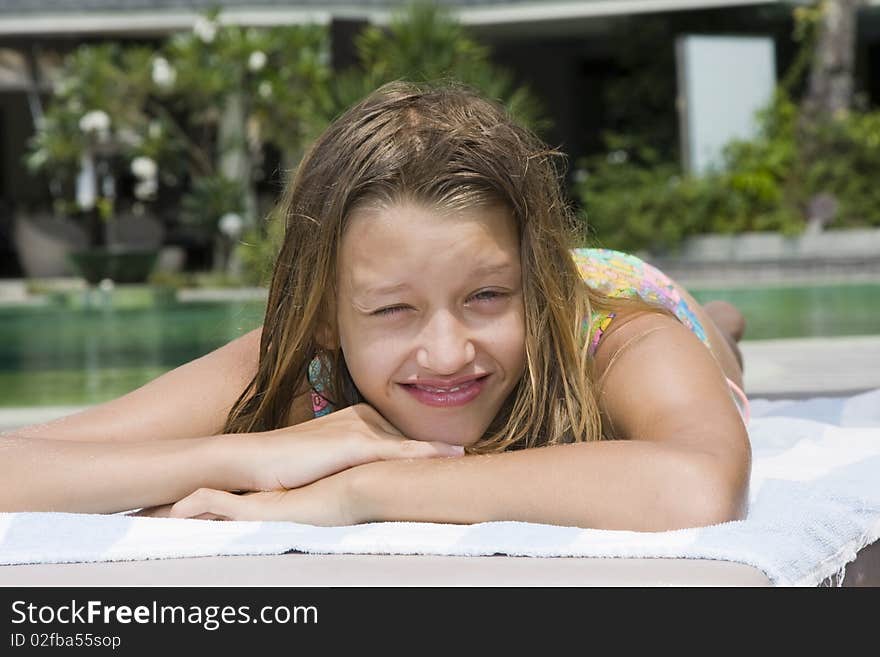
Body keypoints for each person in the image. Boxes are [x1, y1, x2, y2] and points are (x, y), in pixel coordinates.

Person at [1, 81, 751, 531]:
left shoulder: (611, 341)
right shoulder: (310, 362)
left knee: (710, 342)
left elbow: (698, 484)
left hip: (624, 290)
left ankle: (719, 324)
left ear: (534, 284)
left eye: (485, 296)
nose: (447, 351)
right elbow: (18, 464)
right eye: (394, 311)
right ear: (329, 312)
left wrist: (364, 490)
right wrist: (250, 455)